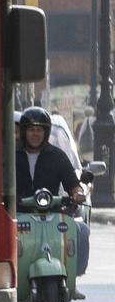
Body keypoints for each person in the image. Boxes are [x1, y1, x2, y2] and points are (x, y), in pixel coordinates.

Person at [16, 106, 91, 283]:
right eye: (31, 130)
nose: (35, 134)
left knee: (81, 231)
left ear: (46, 132)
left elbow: (73, 184)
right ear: (24, 132)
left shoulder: (57, 156)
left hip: (51, 214)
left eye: (40, 130)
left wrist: (78, 193)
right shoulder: (11, 156)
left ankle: (72, 275)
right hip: (17, 214)